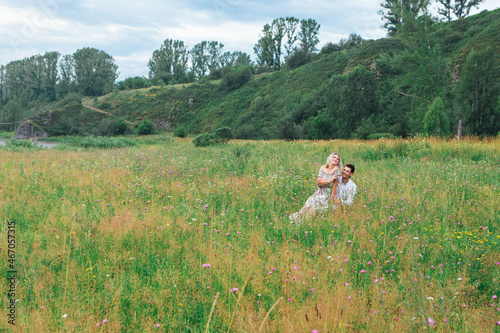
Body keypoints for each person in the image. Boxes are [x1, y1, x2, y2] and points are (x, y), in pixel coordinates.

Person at [289, 153, 342, 224]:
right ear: (330, 158)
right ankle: (296, 221)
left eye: (337, 159)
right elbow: (318, 183)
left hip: (327, 193)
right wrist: (330, 180)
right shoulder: (323, 168)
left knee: (313, 208)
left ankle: (303, 223)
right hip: (319, 191)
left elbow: (335, 185)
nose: (335, 159)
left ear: (338, 162)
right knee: (307, 205)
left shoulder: (337, 170)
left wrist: (331, 198)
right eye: (334, 157)